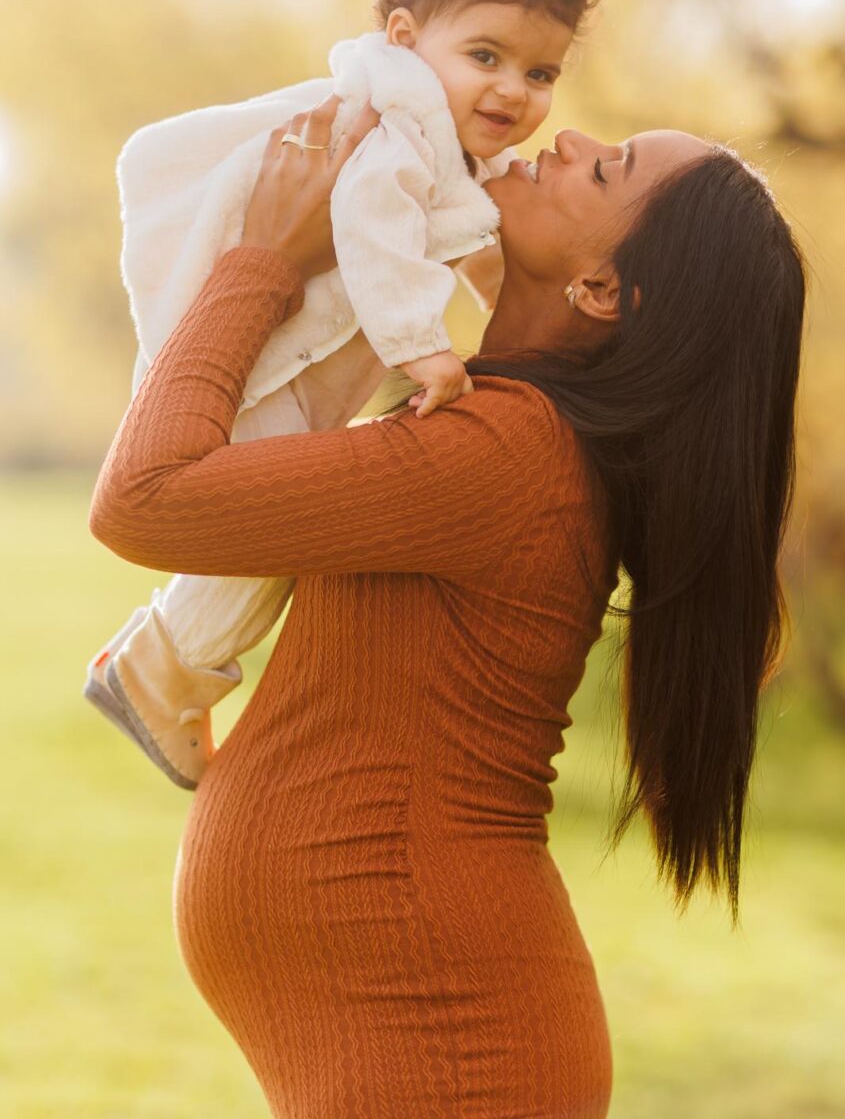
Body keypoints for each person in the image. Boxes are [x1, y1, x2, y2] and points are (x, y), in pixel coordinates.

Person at [88, 93, 805, 1118]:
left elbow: (144, 496)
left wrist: (261, 259)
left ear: (601, 288)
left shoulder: (511, 457)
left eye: (603, 170)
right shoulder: (503, 423)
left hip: (455, 1055)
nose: (568, 138)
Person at [83, 0, 599, 790]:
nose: (515, 92)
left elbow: (466, 230)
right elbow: (369, 226)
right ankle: (161, 669)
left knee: (287, 523)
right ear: (403, 38)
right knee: (277, 533)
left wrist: (495, 282)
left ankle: (163, 662)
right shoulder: (393, 127)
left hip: (282, 354)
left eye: (540, 71)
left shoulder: (442, 134)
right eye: (486, 56)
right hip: (257, 355)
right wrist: (419, 346)